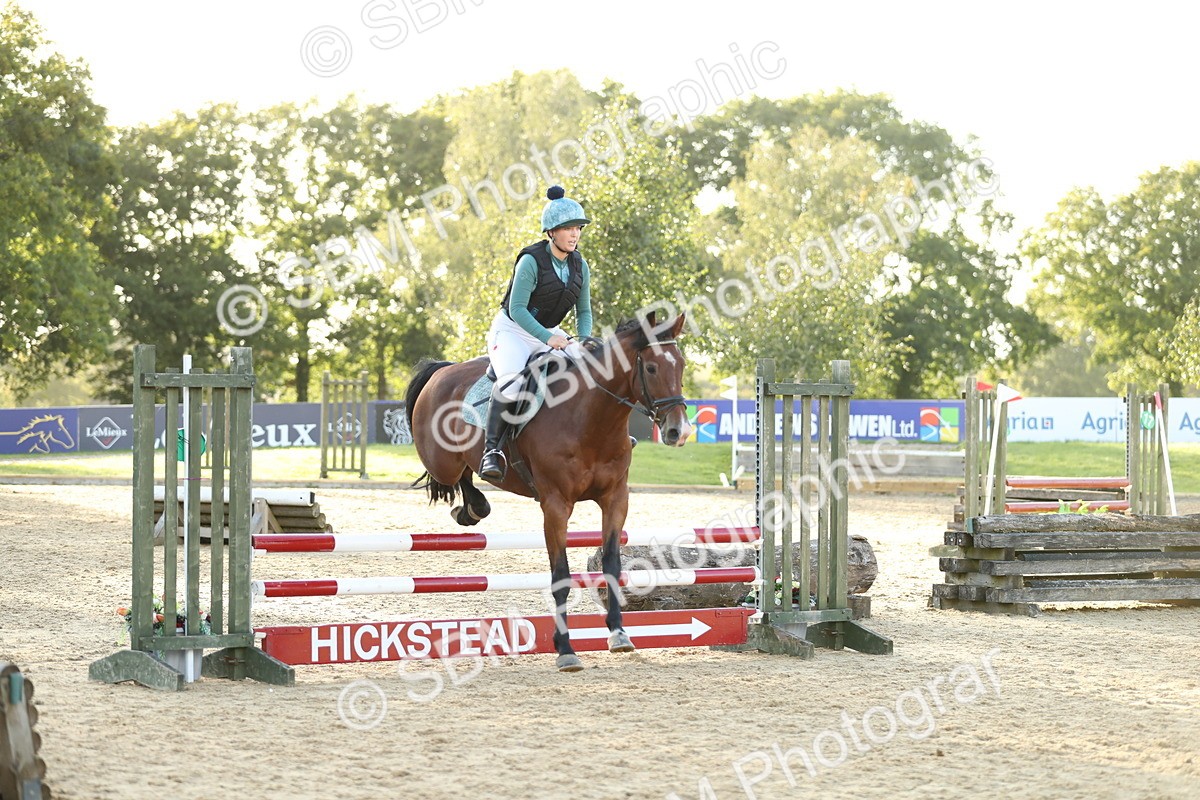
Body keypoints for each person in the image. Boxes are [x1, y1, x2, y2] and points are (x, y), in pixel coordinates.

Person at [479, 185, 593, 480]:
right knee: (512, 384)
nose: (574, 234)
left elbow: (584, 311)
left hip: (549, 330)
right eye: (567, 228)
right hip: (512, 331)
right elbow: (517, 310)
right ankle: (492, 451)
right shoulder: (530, 261)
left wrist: (586, 340)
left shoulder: (581, 265)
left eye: (577, 228)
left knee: (593, 368)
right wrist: (548, 338)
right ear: (551, 232)